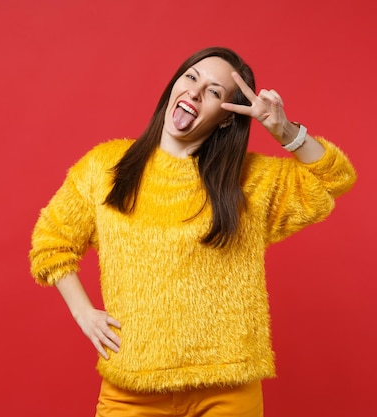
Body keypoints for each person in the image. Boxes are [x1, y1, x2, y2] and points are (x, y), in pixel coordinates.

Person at [29, 47, 356, 417]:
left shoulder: (249, 181)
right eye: (191, 78)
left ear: (226, 119)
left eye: (215, 92)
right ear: (174, 85)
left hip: (228, 388)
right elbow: (51, 243)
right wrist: (83, 314)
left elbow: (334, 180)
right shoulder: (105, 166)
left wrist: (285, 131)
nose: (195, 93)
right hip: (132, 386)